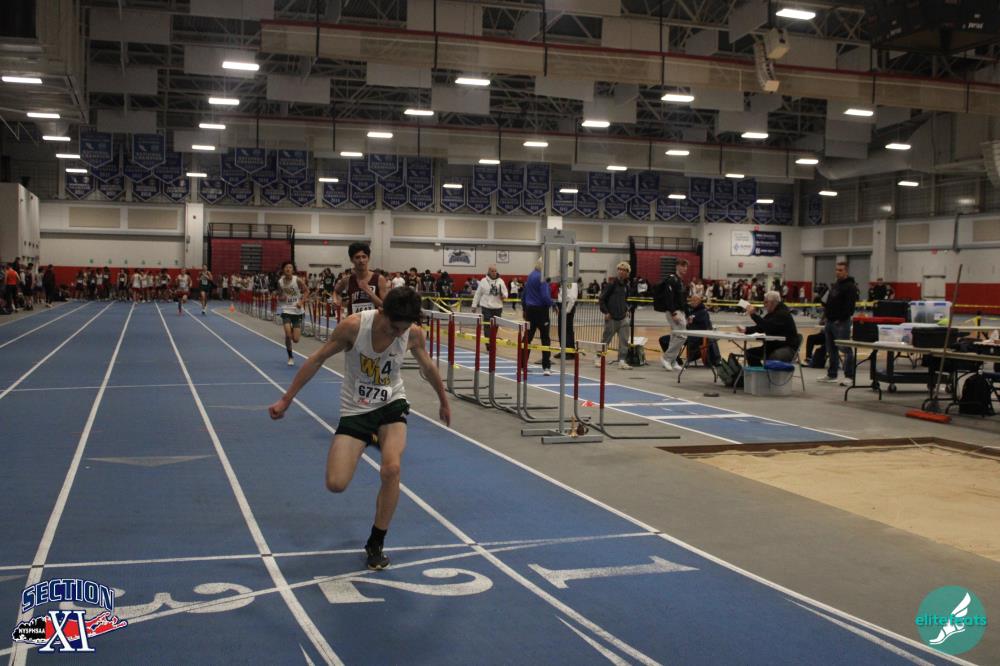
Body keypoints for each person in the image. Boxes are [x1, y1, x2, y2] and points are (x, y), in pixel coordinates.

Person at [268, 287, 450, 570]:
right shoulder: (354, 327)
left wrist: (443, 400)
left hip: (391, 404)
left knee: (391, 469)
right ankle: (371, 438)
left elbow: (427, 366)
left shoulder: (412, 334)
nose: (397, 335)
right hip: (356, 410)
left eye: (402, 330)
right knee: (336, 483)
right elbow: (317, 359)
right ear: (382, 312)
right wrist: (286, 399)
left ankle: (376, 542)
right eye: (393, 328)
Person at [818, 262, 858, 383]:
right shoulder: (835, 285)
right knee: (831, 350)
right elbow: (829, 303)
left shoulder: (850, 287)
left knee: (845, 349)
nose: (837, 272)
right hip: (829, 322)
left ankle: (849, 376)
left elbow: (850, 307)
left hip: (841, 323)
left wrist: (839, 319)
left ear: (846, 272)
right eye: (836, 270)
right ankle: (832, 374)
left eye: (840, 270)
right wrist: (825, 317)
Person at [740, 291, 799, 366]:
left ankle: (767, 373)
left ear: (773, 302)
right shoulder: (772, 313)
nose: (764, 305)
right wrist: (746, 329)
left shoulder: (782, 313)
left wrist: (753, 315)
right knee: (750, 353)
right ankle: (759, 372)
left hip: (786, 347)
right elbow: (761, 327)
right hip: (774, 346)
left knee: (774, 356)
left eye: (766, 302)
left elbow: (767, 327)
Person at [334, 243, 388, 318]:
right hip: (354, 322)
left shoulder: (379, 279)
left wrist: (369, 291)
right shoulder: (347, 280)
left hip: (374, 322)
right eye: (357, 257)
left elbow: (386, 306)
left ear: (368, 258)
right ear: (351, 259)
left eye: (364, 257)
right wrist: (336, 300)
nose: (361, 260)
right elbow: (336, 291)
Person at [597, 262, 633, 369]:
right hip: (611, 317)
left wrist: (627, 309)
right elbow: (601, 299)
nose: (621, 271)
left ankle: (622, 361)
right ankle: (598, 357)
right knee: (606, 340)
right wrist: (606, 312)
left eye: (624, 270)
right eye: (619, 269)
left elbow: (627, 300)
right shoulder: (611, 284)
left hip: (623, 318)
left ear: (627, 272)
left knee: (624, 341)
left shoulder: (627, 286)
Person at [521, 259, 553, 376]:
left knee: (527, 338)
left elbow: (524, 295)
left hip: (530, 310)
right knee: (545, 339)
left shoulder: (530, 276)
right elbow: (545, 296)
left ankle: (522, 366)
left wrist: (524, 309)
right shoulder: (542, 278)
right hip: (541, 311)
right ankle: (546, 367)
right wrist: (553, 304)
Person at [276, 261, 308, 366]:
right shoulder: (280, 282)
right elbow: (279, 295)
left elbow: (307, 291)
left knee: (296, 339)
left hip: (297, 311)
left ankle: (293, 330)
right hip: (286, 310)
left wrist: (301, 302)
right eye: (286, 267)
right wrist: (281, 298)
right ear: (283, 269)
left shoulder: (297, 280)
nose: (288, 269)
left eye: (290, 267)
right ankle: (290, 357)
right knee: (288, 335)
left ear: (293, 270)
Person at [660, 259, 690, 371]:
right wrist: (673, 312)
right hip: (674, 311)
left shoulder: (680, 281)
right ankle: (666, 358)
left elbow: (683, 300)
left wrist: (688, 314)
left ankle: (672, 361)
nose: (685, 268)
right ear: (677, 266)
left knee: (675, 337)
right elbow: (668, 297)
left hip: (680, 311)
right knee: (682, 335)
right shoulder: (672, 279)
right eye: (682, 266)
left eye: (686, 266)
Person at [676, 294, 720, 368]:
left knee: (709, 340)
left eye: (694, 300)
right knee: (665, 339)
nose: (692, 302)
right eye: (691, 300)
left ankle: (715, 361)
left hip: (697, 337)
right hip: (686, 334)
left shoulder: (703, 312)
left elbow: (706, 326)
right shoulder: (691, 310)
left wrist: (691, 322)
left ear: (699, 301)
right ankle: (675, 360)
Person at [471, 265, 507, 350]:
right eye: (492, 271)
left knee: (495, 326)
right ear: (489, 272)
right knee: (487, 326)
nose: (494, 273)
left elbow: (505, 293)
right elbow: (478, 294)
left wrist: (504, 296)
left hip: (498, 307)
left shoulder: (500, 281)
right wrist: (474, 305)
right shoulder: (483, 281)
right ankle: (488, 344)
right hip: (486, 307)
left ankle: (492, 341)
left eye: (495, 271)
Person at [554, 276, 579, 359]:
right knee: (561, 330)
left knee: (567, 330)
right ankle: (563, 351)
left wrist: (566, 311)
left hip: (567, 307)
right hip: (563, 306)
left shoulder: (570, 282)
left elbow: (572, 298)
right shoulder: (564, 280)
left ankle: (569, 352)